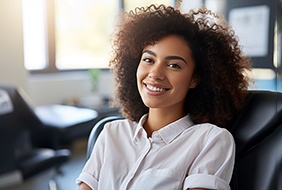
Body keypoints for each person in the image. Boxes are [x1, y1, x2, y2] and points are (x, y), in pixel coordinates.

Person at [76, 4, 252, 190]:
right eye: (148, 60)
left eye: (174, 65)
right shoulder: (111, 133)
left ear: (194, 79)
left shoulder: (210, 140)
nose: (155, 73)